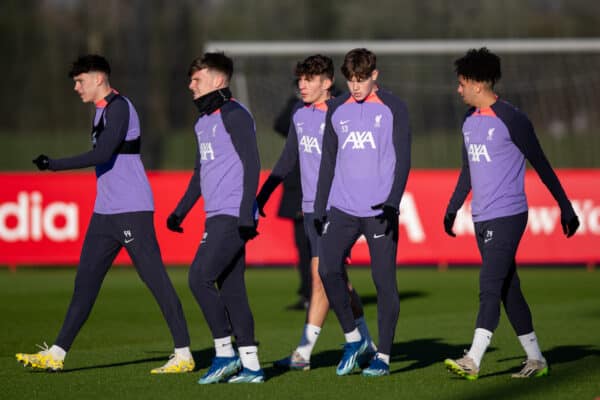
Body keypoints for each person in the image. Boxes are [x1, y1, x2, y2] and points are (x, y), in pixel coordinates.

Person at [16, 54, 194, 374]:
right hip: (105, 212)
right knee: (84, 284)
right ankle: (56, 354)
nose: (76, 87)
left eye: (80, 81)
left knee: (155, 280)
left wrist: (54, 165)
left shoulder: (120, 107)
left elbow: (103, 153)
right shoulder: (99, 113)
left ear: (99, 78)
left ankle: (183, 354)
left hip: (132, 209)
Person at [443, 47, 580, 380]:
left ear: (477, 83)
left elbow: (541, 163)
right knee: (508, 288)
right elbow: (467, 170)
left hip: (509, 215)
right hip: (481, 217)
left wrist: (565, 206)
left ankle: (473, 359)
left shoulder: (512, 118)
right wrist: (452, 207)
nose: (458, 89)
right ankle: (536, 358)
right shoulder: (468, 121)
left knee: (489, 283)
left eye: (461, 83)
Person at [256, 54, 377, 371]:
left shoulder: (343, 114)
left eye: (309, 80)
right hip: (309, 209)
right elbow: (286, 160)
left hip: (338, 208)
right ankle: (366, 342)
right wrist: (262, 195)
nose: (302, 86)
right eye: (300, 80)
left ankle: (304, 353)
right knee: (336, 279)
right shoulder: (299, 115)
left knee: (320, 276)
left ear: (327, 83)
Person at [166, 52, 264, 384]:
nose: (190, 85)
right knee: (233, 289)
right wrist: (181, 210)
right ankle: (252, 366)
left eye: (197, 79)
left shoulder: (235, 114)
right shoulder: (202, 122)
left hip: (233, 215)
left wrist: (246, 212)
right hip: (215, 216)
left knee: (199, 278)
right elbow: (199, 173)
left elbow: (252, 163)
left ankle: (225, 353)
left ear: (218, 80)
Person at [313, 48, 411, 377]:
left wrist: (394, 201)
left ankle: (382, 355)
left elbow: (404, 159)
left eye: (361, 80)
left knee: (383, 282)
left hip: (380, 210)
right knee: (327, 270)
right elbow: (328, 160)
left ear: (374, 76)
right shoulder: (337, 108)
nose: (355, 87)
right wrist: (319, 206)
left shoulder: (394, 107)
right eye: (350, 80)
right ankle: (355, 339)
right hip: (342, 207)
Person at [272, 89, 312, 310]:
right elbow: (280, 125)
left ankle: (330, 293)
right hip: (298, 188)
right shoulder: (297, 106)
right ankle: (308, 294)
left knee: (326, 251)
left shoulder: (335, 102)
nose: (303, 85)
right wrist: (295, 101)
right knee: (303, 247)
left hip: (322, 189)